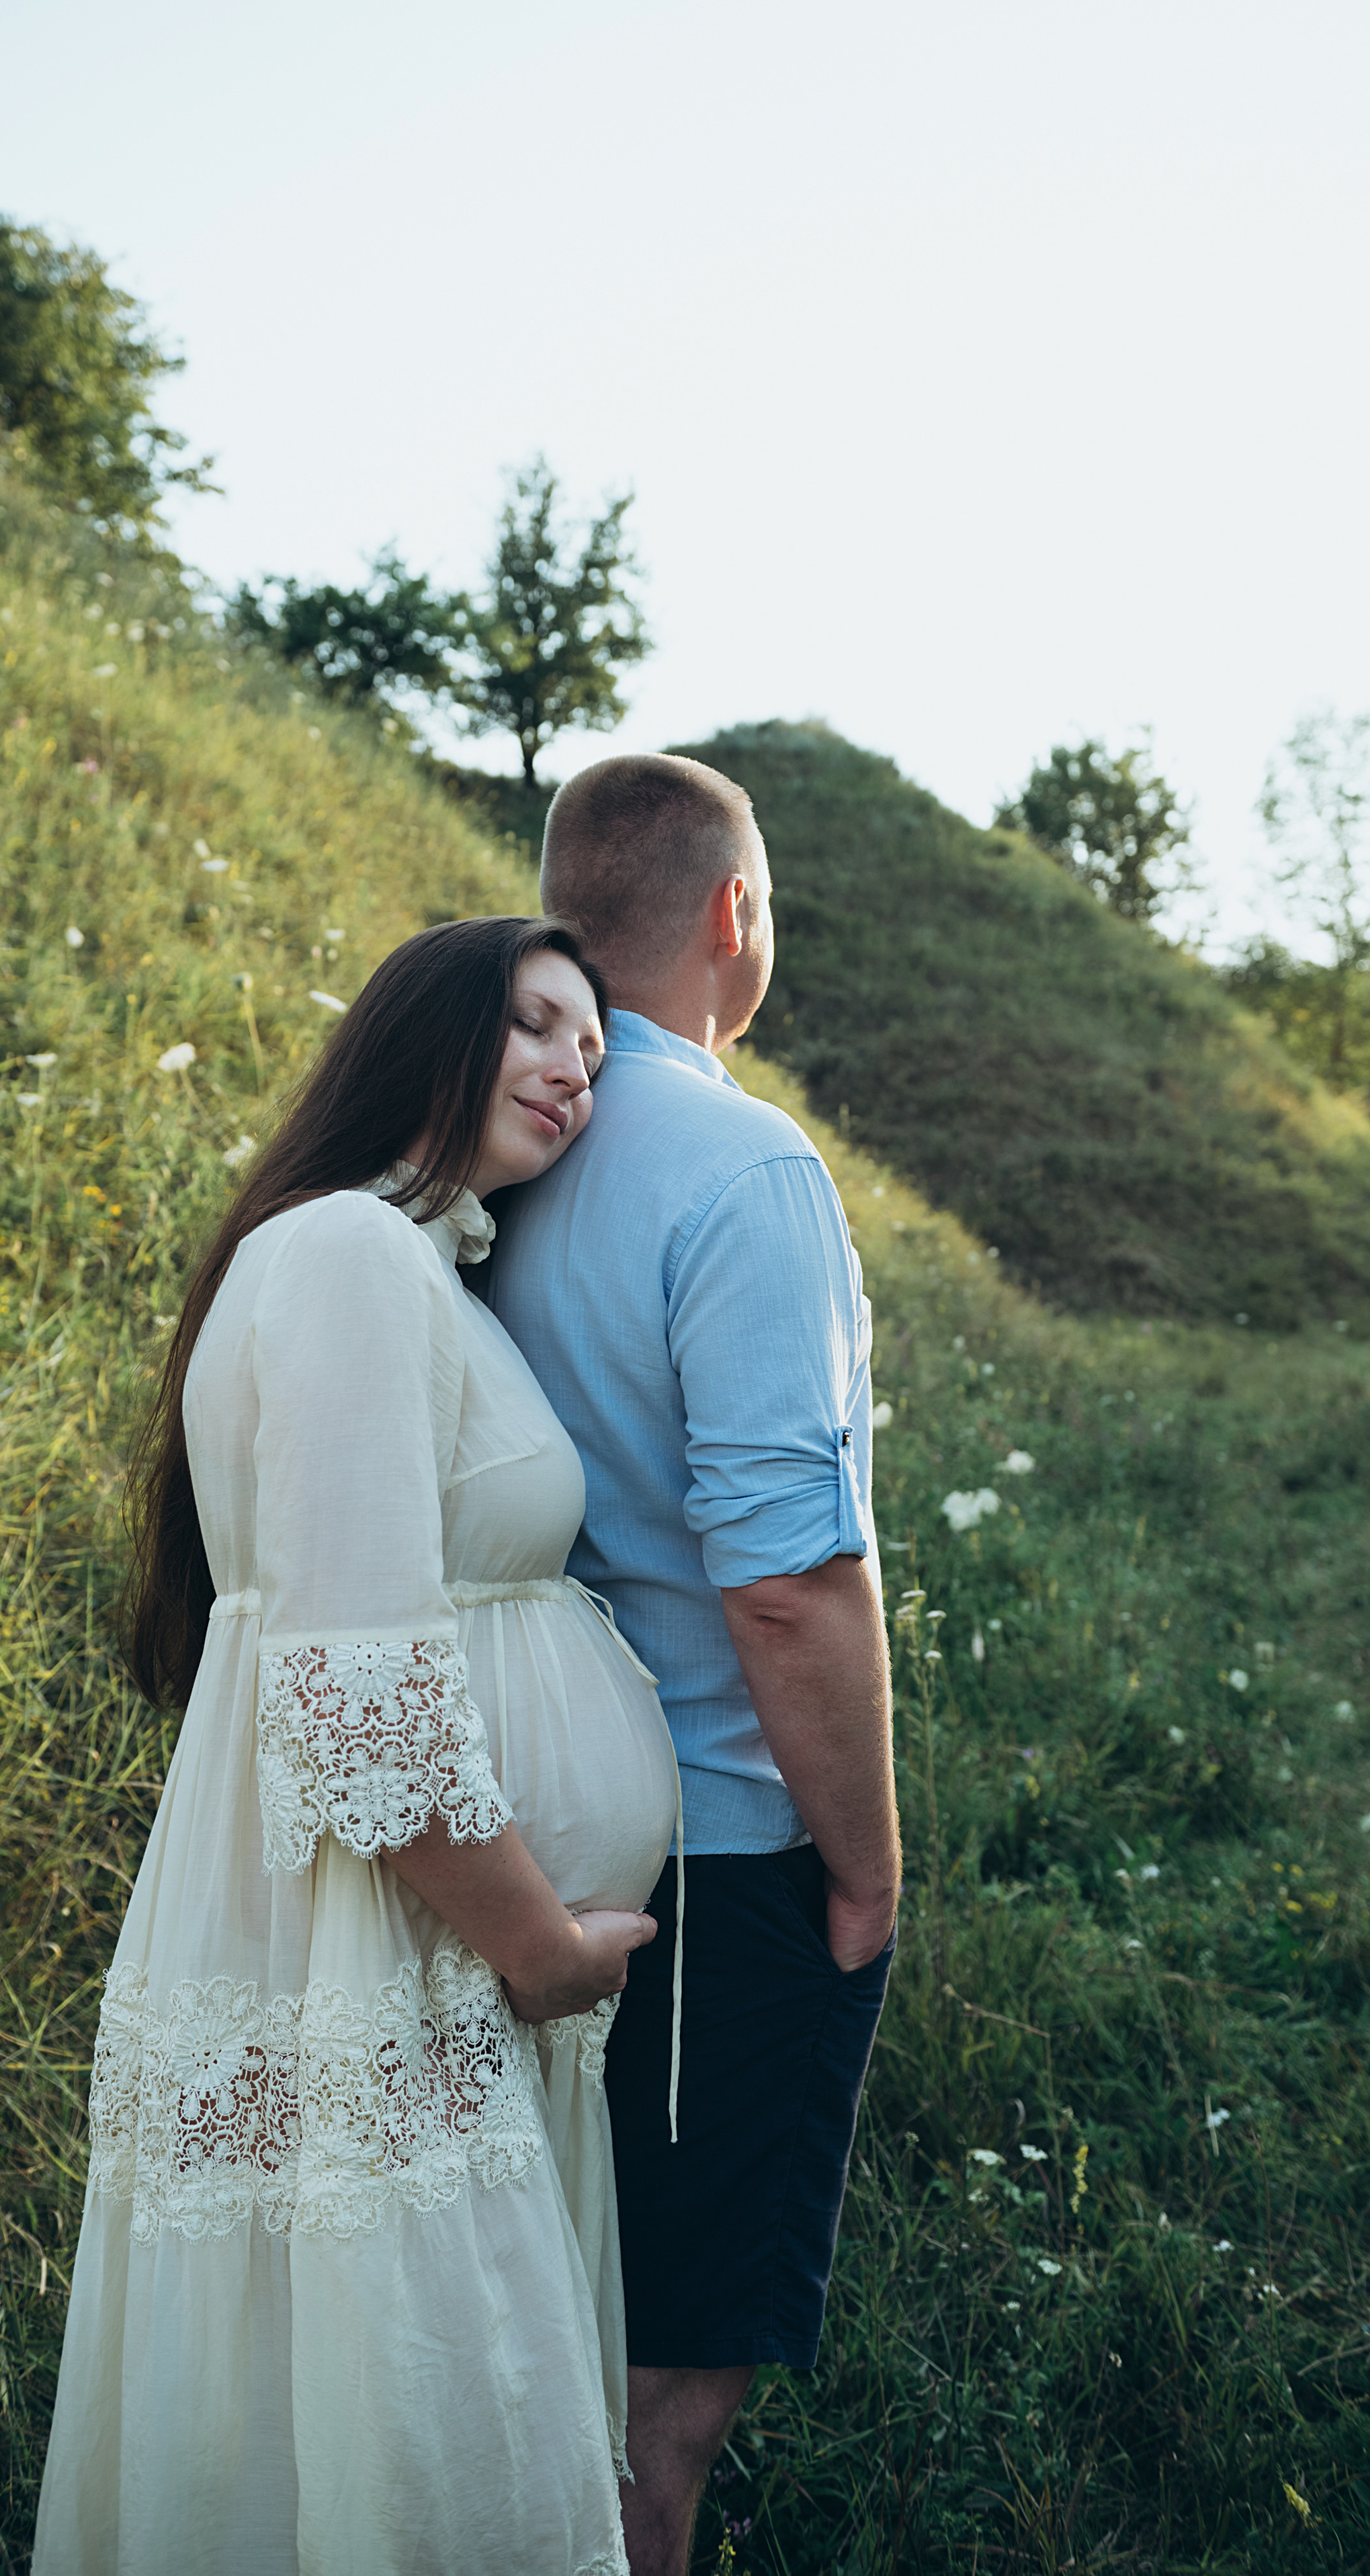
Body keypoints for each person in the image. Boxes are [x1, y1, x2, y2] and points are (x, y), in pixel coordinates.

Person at [33, 916, 680, 2576]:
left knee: (393, 2393)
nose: (571, 1073)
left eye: (597, 1055)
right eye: (538, 1026)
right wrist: (537, 1948)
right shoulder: (344, 1255)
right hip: (385, 1936)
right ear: (428, 1028)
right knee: (382, 2404)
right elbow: (353, 1689)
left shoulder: (416, 1269)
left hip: (420, 1940)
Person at [489, 754, 902, 2576]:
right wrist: (869, 1869)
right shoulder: (742, 1164)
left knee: (539, 2329)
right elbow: (792, 1587)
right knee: (661, 2409)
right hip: (719, 1855)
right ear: (735, 915)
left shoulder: (496, 1142)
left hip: (520, 1830)